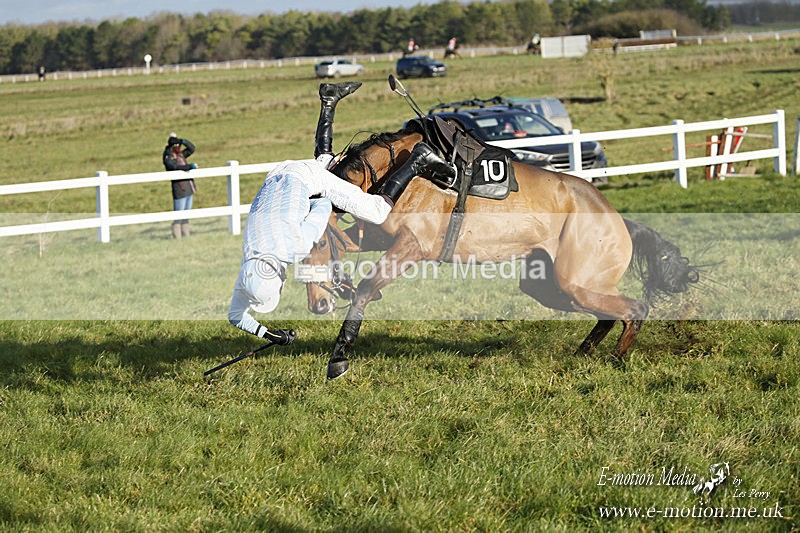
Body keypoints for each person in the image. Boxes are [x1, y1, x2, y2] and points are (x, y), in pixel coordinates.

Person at [227, 81, 456, 345]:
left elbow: (323, 209)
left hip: (305, 181)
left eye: (278, 288)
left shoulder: (296, 245)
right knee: (326, 164)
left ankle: (419, 159)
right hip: (278, 174)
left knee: (377, 211)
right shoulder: (250, 262)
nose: (282, 286)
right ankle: (328, 100)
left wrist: (334, 201)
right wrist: (270, 335)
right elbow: (235, 316)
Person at [162, 133, 197, 238]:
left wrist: (183, 141)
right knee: (178, 215)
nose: (178, 148)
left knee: (186, 216)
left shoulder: (181, 155)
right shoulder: (168, 157)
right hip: (179, 189)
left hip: (188, 188)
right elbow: (175, 167)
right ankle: (177, 236)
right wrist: (190, 166)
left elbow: (192, 148)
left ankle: (186, 235)